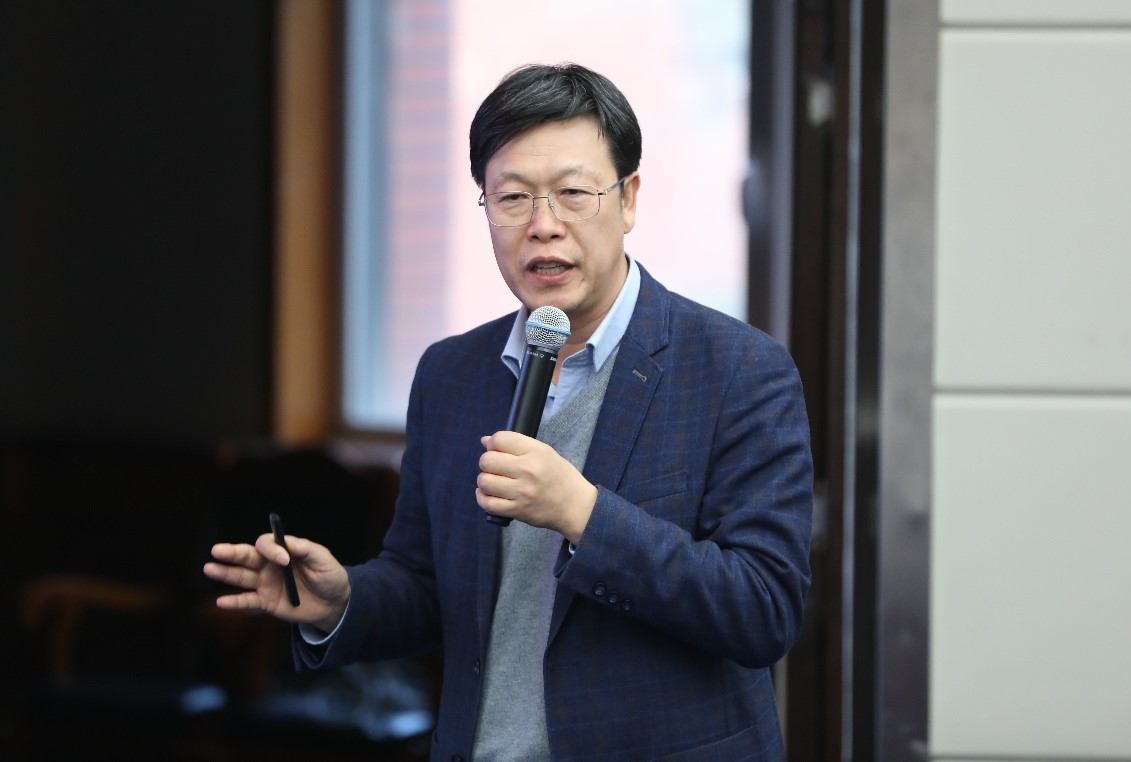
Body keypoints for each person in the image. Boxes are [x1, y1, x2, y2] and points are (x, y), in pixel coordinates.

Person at [204, 62, 813, 761]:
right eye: (512, 198)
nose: (542, 226)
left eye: (573, 194)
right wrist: (343, 600)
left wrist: (581, 512)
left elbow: (764, 610)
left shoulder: (738, 370)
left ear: (628, 199)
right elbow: (426, 585)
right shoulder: (450, 374)